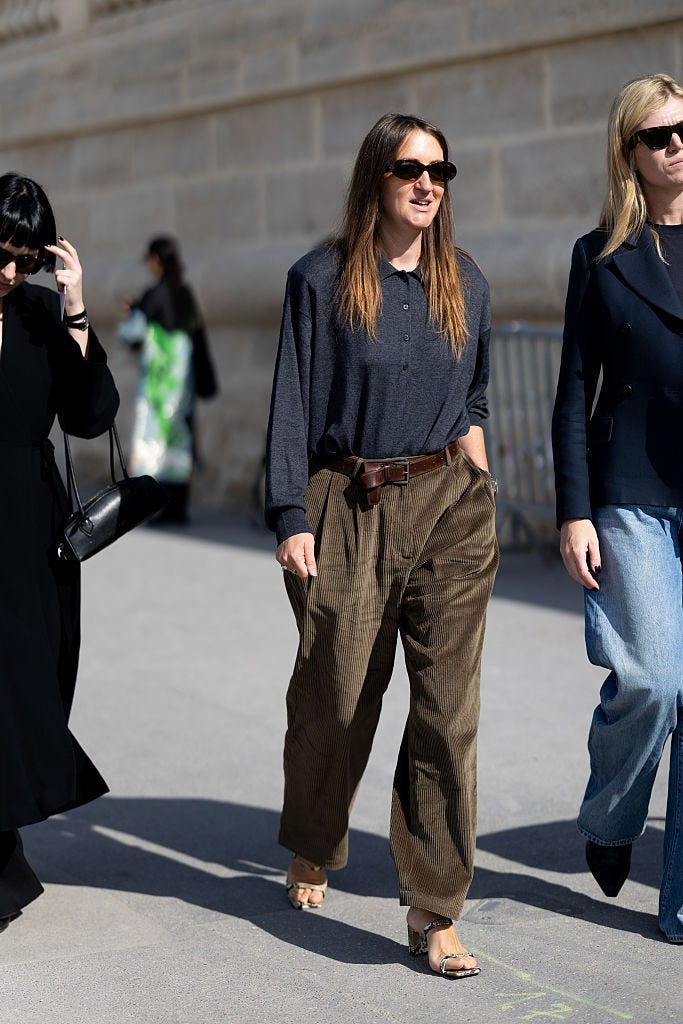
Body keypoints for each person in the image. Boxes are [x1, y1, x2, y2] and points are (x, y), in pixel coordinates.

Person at [265, 113, 498, 977]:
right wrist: (289, 516)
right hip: (347, 502)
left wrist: (485, 490)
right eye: (409, 168)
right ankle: (315, 838)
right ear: (375, 177)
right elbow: (292, 401)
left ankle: (433, 908)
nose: (427, 182)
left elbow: (473, 401)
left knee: (446, 714)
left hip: (449, 507)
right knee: (336, 695)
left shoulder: (465, 282)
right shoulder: (320, 279)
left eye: (441, 168)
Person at [552, 73, 683, 943]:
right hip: (630, 490)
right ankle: (609, 816)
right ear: (629, 152)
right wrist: (572, 511)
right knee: (653, 680)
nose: (680, 146)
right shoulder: (599, 254)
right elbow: (572, 391)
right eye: (662, 135)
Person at [0, 172, 119, 929]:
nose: (9, 270)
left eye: (23, 257)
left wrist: (75, 307)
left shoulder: (45, 314)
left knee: (27, 684)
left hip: (28, 529)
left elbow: (90, 416)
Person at [119, 236, 217, 524]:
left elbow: (132, 334)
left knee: (153, 440)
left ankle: (156, 505)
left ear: (157, 260)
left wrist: (132, 313)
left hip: (157, 385)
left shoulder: (154, 294)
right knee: (180, 441)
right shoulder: (186, 293)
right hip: (182, 384)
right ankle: (179, 507)